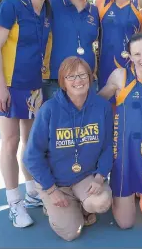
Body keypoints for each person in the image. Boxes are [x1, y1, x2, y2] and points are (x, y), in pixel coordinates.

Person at [0, 0, 57, 227]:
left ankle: (31, 193)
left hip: (33, 88)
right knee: (10, 141)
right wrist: (1, 87)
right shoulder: (11, 6)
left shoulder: (48, 10)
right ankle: (14, 204)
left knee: (31, 143)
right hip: (7, 86)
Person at [23, 57, 113, 241]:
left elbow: (108, 146)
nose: (78, 81)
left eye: (82, 75)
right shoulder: (49, 110)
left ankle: (81, 204)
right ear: (63, 81)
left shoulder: (102, 107)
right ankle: (53, 204)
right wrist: (51, 190)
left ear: (90, 77)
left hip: (84, 177)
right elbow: (32, 156)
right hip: (55, 181)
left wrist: (99, 177)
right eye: (71, 76)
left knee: (101, 202)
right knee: (70, 233)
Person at [98, 33, 142, 229]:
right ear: (129, 56)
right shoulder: (120, 76)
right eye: (137, 54)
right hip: (125, 154)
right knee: (126, 223)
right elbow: (98, 103)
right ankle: (125, 192)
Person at [43, 0, 99, 99]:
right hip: (57, 82)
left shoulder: (95, 12)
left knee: (86, 122)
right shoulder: (52, 3)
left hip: (86, 82)